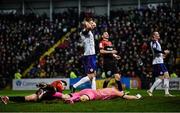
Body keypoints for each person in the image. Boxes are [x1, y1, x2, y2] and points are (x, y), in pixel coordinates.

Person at [71, 19, 97, 92]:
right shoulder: (83, 32)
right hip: (89, 56)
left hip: (92, 55)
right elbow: (88, 28)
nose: (92, 24)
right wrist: (91, 24)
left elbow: (90, 27)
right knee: (91, 76)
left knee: (94, 75)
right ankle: (74, 86)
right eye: (90, 23)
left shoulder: (88, 31)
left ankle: (94, 92)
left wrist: (92, 24)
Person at [147, 31, 174, 97]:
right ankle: (164, 93)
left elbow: (156, 53)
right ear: (153, 36)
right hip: (157, 62)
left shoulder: (157, 42)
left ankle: (152, 90)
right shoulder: (153, 42)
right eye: (157, 34)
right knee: (164, 76)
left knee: (164, 76)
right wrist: (163, 52)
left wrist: (162, 55)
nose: (158, 35)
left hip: (160, 62)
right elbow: (155, 50)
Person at [1, 80, 67, 104]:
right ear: (63, 84)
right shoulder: (59, 83)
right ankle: (44, 88)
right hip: (46, 92)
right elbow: (57, 89)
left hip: (44, 93)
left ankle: (7, 98)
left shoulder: (57, 84)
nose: (64, 88)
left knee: (27, 98)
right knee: (53, 90)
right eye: (65, 86)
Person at [53, 87, 142, 104]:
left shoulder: (111, 89)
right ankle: (72, 100)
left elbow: (123, 94)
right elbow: (125, 96)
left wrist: (124, 93)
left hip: (87, 90)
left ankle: (51, 94)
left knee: (65, 95)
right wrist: (136, 97)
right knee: (84, 98)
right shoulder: (116, 92)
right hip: (93, 94)